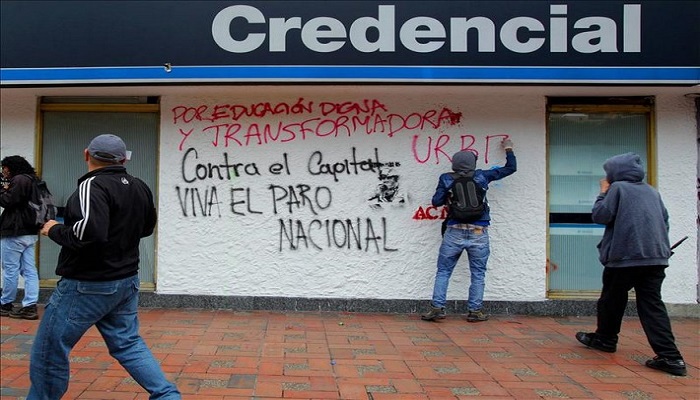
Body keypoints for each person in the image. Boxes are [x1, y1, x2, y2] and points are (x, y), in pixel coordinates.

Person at [29, 134, 181, 399]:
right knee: (128, 344)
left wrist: (54, 229)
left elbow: (89, 234)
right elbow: (146, 228)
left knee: (49, 351)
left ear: (87, 154)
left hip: (86, 285)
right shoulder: (139, 185)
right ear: (123, 159)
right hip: (126, 282)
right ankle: (167, 395)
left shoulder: (92, 185)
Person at [575, 152, 686, 376]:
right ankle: (671, 357)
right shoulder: (652, 191)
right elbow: (665, 221)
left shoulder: (618, 189)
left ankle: (605, 339)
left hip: (625, 258)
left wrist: (603, 192)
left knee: (611, 300)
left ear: (616, 172)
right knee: (652, 305)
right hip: (655, 258)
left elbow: (600, 216)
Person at [422, 138, 516, 322]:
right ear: (473, 163)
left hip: (454, 231)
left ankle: (437, 308)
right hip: (479, 232)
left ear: (454, 164)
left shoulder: (447, 178)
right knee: (478, 273)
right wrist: (509, 149)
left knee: (443, 271)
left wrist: (450, 195)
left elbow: (436, 202)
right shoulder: (482, 176)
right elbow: (510, 168)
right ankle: (475, 311)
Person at [0, 155, 41, 320]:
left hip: (14, 231)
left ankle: (5, 304)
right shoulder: (33, 180)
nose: (3, 171)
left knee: (10, 269)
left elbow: (8, 201)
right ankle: (30, 306)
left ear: (11, 167)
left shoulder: (19, 180)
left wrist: (2, 189)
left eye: (5, 168)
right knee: (30, 270)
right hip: (30, 232)